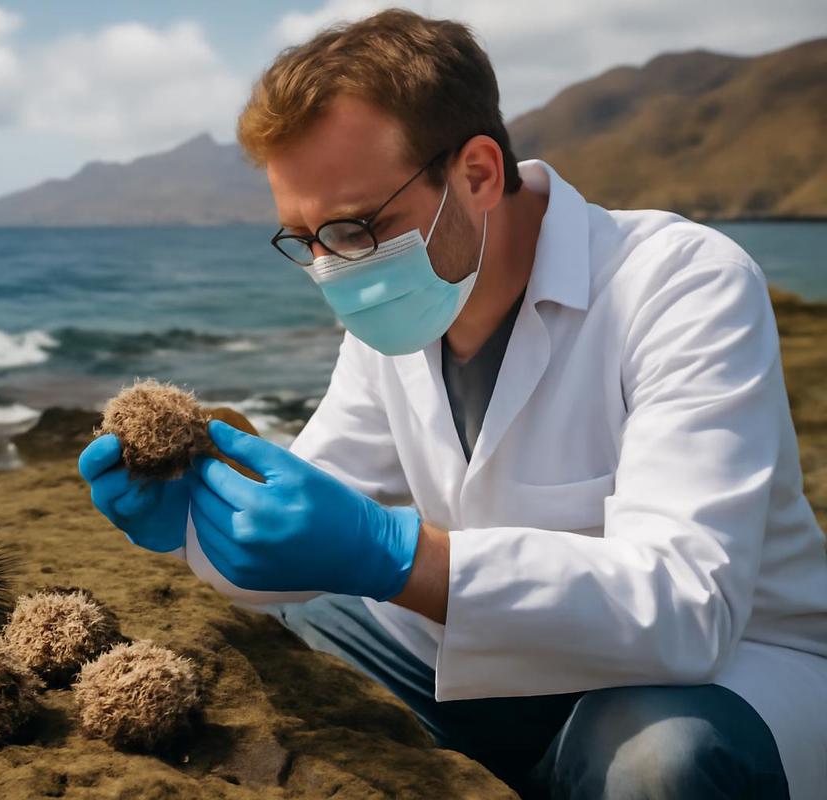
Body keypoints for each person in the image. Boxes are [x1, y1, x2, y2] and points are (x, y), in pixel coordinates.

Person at [77, 10, 827, 799]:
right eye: (304, 238)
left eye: (358, 228)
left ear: (476, 174)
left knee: (663, 765)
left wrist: (398, 553)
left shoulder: (681, 283)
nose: (333, 269)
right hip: (502, 657)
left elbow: (686, 609)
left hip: (718, 670)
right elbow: (304, 527)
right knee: (281, 635)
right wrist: (197, 523)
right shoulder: (401, 317)